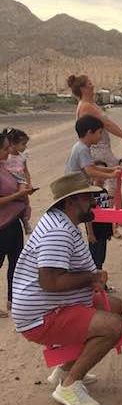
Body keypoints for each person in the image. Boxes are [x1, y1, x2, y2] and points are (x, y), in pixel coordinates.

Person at [11, 171, 122, 405]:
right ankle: (70, 386)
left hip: (48, 305)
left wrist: (90, 280)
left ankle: (64, 371)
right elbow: (50, 282)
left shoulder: (61, 221)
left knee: (114, 306)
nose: (92, 202)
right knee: (112, 326)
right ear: (71, 201)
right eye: (87, 198)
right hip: (41, 315)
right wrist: (91, 277)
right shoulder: (58, 232)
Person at [69, 74, 122, 234]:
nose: (93, 85)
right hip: (99, 149)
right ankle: (109, 220)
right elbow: (107, 124)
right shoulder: (86, 106)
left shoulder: (88, 104)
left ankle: (118, 218)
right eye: (90, 83)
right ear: (83, 88)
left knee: (111, 182)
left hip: (102, 148)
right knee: (109, 183)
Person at [0, 130, 36, 317]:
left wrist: (23, 193)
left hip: (13, 222)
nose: (9, 152)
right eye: (5, 149)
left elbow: (19, 179)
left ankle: (13, 301)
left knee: (16, 264)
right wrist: (18, 196)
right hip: (2, 226)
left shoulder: (4, 167)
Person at [66, 115, 122, 181]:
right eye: (100, 132)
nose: (101, 137)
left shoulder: (79, 146)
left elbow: (93, 168)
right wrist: (111, 175)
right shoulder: (83, 149)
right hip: (76, 186)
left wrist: (112, 169)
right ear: (89, 132)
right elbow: (91, 172)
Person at [86, 161, 114, 291]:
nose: (102, 177)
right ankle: (95, 285)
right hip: (95, 231)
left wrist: (110, 229)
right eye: (99, 174)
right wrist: (90, 233)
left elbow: (108, 212)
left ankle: (100, 283)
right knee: (94, 257)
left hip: (104, 230)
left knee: (101, 256)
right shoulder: (90, 194)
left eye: (104, 174)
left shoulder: (104, 192)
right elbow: (88, 216)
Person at [4, 128, 33, 233]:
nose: (25, 147)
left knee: (25, 199)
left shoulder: (22, 157)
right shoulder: (6, 157)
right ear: (13, 144)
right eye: (23, 144)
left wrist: (29, 183)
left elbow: (26, 171)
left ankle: (25, 220)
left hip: (20, 180)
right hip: (10, 180)